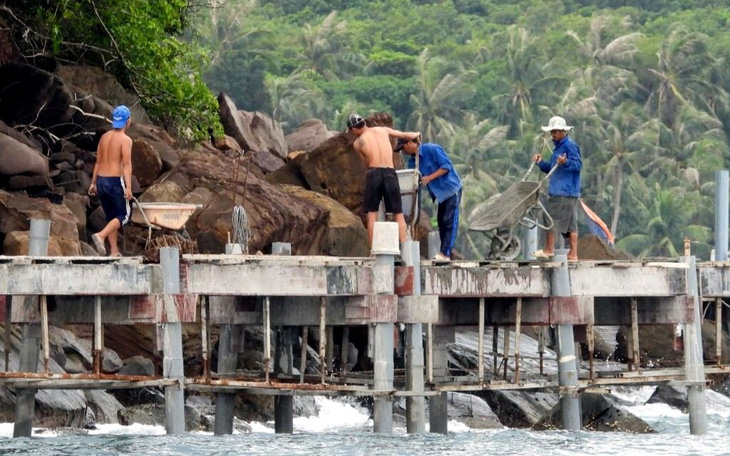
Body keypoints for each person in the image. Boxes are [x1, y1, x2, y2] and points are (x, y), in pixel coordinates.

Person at [347, 114, 420, 247]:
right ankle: (404, 248)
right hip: (390, 173)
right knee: (398, 213)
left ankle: (373, 251)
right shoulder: (383, 130)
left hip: (374, 173)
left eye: (351, 131)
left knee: (372, 214)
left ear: (354, 129)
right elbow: (406, 135)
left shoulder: (358, 143)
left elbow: (366, 163)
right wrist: (416, 133)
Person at [396, 137, 462, 261]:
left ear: (410, 142)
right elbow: (414, 180)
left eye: (403, 147)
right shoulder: (412, 162)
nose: (403, 152)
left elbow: (446, 166)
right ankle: (444, 252)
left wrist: (429, 178)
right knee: (441, 221)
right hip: (439, 194)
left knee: (450, 221)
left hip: (451, 189)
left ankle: (445, 253)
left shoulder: (432, 149)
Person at [532, 115, 582, 261]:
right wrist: (541, 163)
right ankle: (573, 254)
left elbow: (577, 165)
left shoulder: (569, 146)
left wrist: (565, 162)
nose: (552, 135)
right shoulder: (558, 148)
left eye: (555, 132)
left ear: (562, 131)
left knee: (550, 218)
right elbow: (553, 168)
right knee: (571, 224)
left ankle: (549, 249)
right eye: (551, 132)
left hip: (563, 191)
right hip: (566, 191)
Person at [88, 105, 133, 257]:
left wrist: (93, 183)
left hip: (101, 180)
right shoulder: (125, 140)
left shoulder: (104, 137)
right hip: (115, 181)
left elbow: (98, 162)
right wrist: (128, 187)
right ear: (128, 121)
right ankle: (101, 235)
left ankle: (114, 251)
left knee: (111, 216)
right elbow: (126, 164)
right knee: (123, 215)